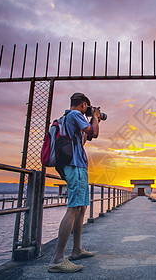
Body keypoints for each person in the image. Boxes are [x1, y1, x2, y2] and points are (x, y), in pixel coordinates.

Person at [48, 92, 101, 273]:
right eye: (88, 107)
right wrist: (94, 118)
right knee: (74, 208)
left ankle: (76, 250)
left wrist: (94, 120)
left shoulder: (68, 119)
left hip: (77, 166)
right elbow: (94, 132)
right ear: (84, 105)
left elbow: (85, 140)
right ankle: (57, 259)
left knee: (82, 207)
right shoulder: (75, 115)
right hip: (74, 166)